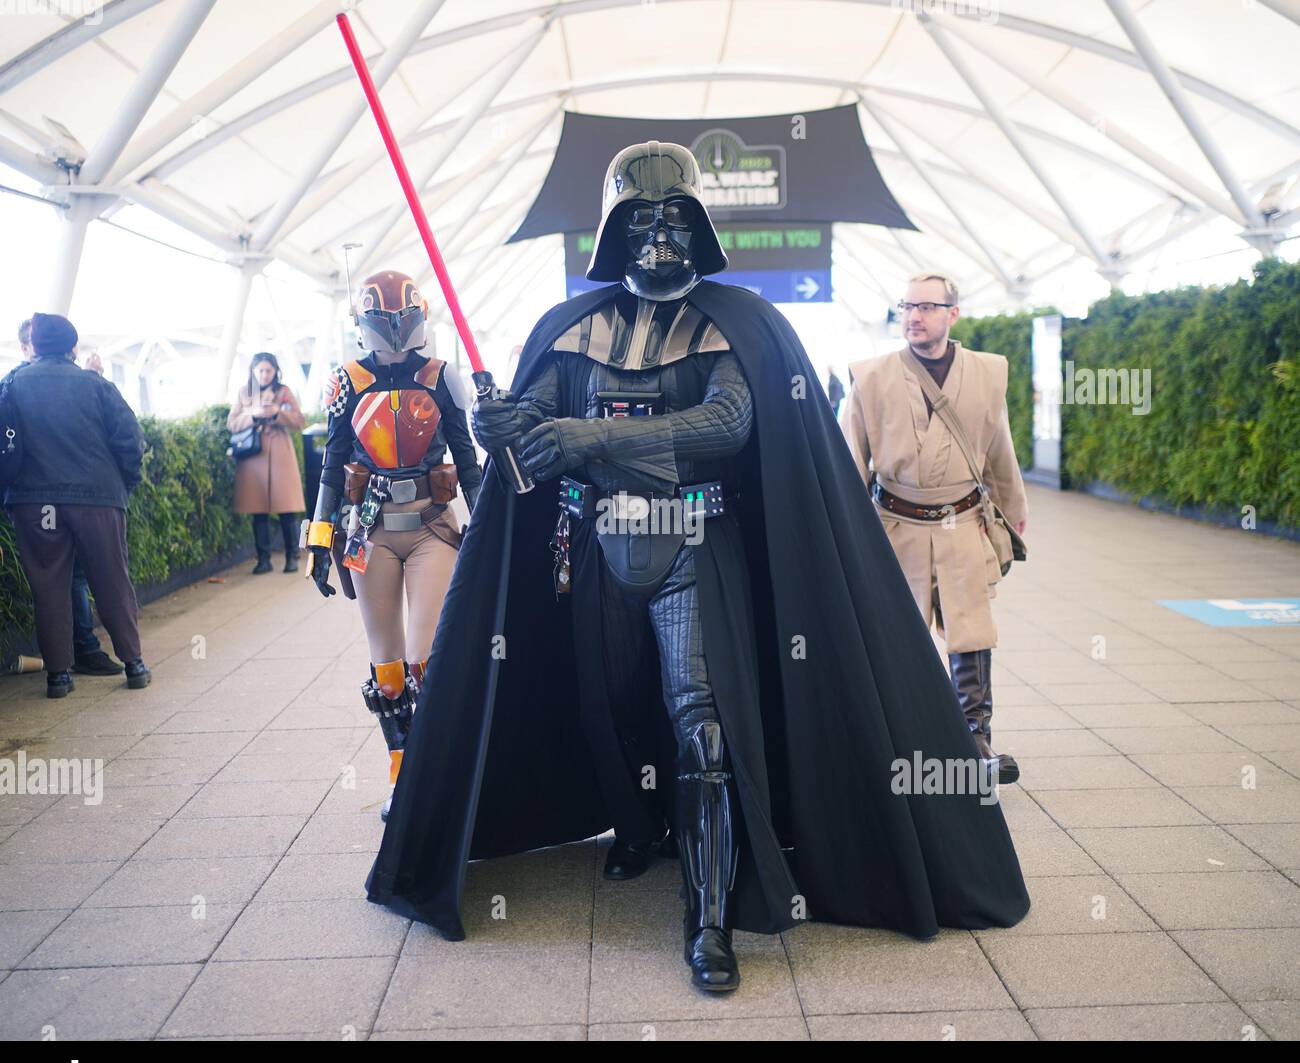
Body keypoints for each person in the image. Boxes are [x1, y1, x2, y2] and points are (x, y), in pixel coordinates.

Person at [365, 142, 1029, 995]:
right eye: (639, 218)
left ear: (698, 224)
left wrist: (588, 437)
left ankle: (708, 919)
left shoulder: (735, 323)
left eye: (673, 215)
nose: (657, 234)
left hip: (692, 544)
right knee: (605, 704)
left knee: (703, 727)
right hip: (596, 551)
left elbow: (727, 424)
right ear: (612, 233)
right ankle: (638, 831)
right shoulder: (569, 330)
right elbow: (533, 431)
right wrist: (502, 420)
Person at [305, 269, 482, 821]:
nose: (396, 327)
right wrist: (319, 536)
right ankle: (402, 773)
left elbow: (470, 463)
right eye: (385, 319)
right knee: (388, 668)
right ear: (363, 323)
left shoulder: (442, 379)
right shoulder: (346, 382)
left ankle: (435, 772)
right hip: (370, 531)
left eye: (403, 317)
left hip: (431, 526)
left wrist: (486, 524)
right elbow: (332, 467)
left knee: (428, 660)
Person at [842, 272, 1028, 783]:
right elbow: (851, 458)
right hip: (894, 524)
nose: (914, 317)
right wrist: (847, 531)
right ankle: (898, 739)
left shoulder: (988, 373)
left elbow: (998, 447)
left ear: (953, 314)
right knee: (896, 634)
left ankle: (974, 738)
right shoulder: (871, 376)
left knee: (971, 631)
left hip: (962, 519)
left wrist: (1012, 508)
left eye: (926, 307)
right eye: (907, 307)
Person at [1, 313, 150, 697]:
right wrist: (124, 484)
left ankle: (58, 678)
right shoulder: (93, 384)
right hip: (96, 500)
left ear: (33, 347)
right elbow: (129, 439)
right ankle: (134, 665)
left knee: (49, 586)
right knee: (111, 579)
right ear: (73, 347)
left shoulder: (12, 384)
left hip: (36, 504)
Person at [228, 352, 306, 574]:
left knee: (287, 509)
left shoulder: (284, 391)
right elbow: (232, 423)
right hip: (253, 457)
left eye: (268, 370)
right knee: (257, 509)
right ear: (253, 371)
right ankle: (263, 559)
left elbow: (299, 420)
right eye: (260, 370)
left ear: (275, 371)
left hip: (280, 453)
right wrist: (252, 416)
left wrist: (276, 413)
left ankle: (293, 556)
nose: (264, 375)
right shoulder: (244, 393)